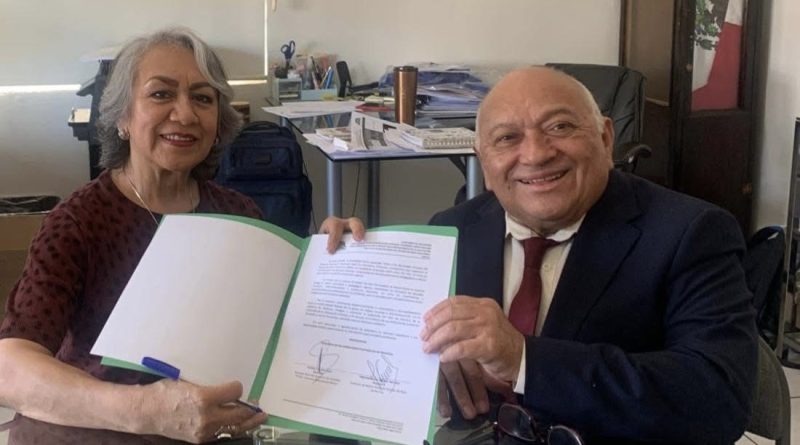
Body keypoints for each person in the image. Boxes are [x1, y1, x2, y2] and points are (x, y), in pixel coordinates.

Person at [0, 27, 362, 444]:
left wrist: (335, 268)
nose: (186, 114)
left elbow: (280, 339)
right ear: (122, 117)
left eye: (203, 98)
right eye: (161, 94)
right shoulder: (78, 223)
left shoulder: (239, 215)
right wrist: (146, 412)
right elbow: (11, 369)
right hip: (103, 434)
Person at [419, 67, 757, 444]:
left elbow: (718, 399)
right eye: (507, 138)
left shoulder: (692, 233)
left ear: (606, 138)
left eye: (560, 127)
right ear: (483, 160)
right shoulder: (451, 230)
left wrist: (524, 359)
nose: (535, 154)